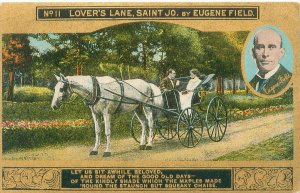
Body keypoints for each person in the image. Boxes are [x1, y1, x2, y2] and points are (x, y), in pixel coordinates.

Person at [250, 28, 292, 95]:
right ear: (253, 53)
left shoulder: (291, 81)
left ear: (281, 53)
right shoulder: (251, 83)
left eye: (272, 47)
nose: (265, 54)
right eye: (260, 47)